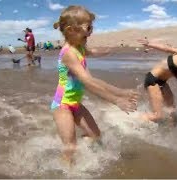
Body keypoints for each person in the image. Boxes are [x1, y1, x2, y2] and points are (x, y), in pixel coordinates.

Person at [51, 5, 138, 165]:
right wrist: (117, 97)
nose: (91, 32)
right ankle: (65, 170)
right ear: (71, 30)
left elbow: (91, 52)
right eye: (88, 28)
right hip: (62, 105)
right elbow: (88, 81)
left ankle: (85, 157)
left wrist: (106, 51)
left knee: (95, 135)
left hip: (75, 104)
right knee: (70, 147)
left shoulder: (79, 47)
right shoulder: (69, 53)